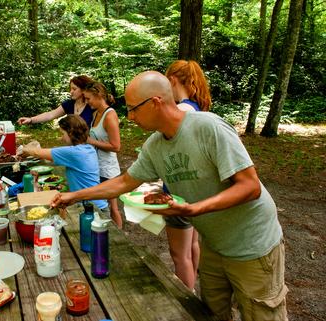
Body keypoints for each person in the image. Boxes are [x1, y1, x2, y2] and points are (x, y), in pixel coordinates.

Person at [51, 71, 287, 321]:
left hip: (253, 245)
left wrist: (195, 210)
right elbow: (124, 182)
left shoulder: (207, 126)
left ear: (155, 102)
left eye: (134, 109)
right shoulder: (155, 145)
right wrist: (74, 195)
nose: (130, 117)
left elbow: (250, 187)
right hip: (215, 245)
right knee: (212, 314)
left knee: (261, 315)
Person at [158, 59, 212, 289]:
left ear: (172, 80)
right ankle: (194, 281)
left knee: (179, 255)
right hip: (196, 192)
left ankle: (186, 299)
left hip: (178, 193)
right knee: (191, 246)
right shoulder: (197, 107)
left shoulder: (180, 110)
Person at [22, 114, 109, 215]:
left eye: (63, 133)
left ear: (71, 133)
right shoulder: (88, 149)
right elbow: (48, 157)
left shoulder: (74, 152)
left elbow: (37, 153)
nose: (62, 138)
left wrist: (22, 149)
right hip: (94, 205)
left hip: (94, 209)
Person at [82, 81, 122, 228]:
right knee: (99, 206)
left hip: (108, 170)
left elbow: (116, 146)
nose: (87, 102)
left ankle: (121, 240)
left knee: (113, 208)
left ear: (98, 95)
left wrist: (91, 141)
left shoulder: (110, 115)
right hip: (96, 167)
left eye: (88, 98)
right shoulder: (95, 113)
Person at [17, 75, 95, 127]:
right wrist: (31, 120)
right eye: (70, 89)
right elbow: (51, 114)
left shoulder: (93, 106)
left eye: (74, 89)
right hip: (72, 146)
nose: (71, 92)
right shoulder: (69, 104)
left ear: (83, 89)